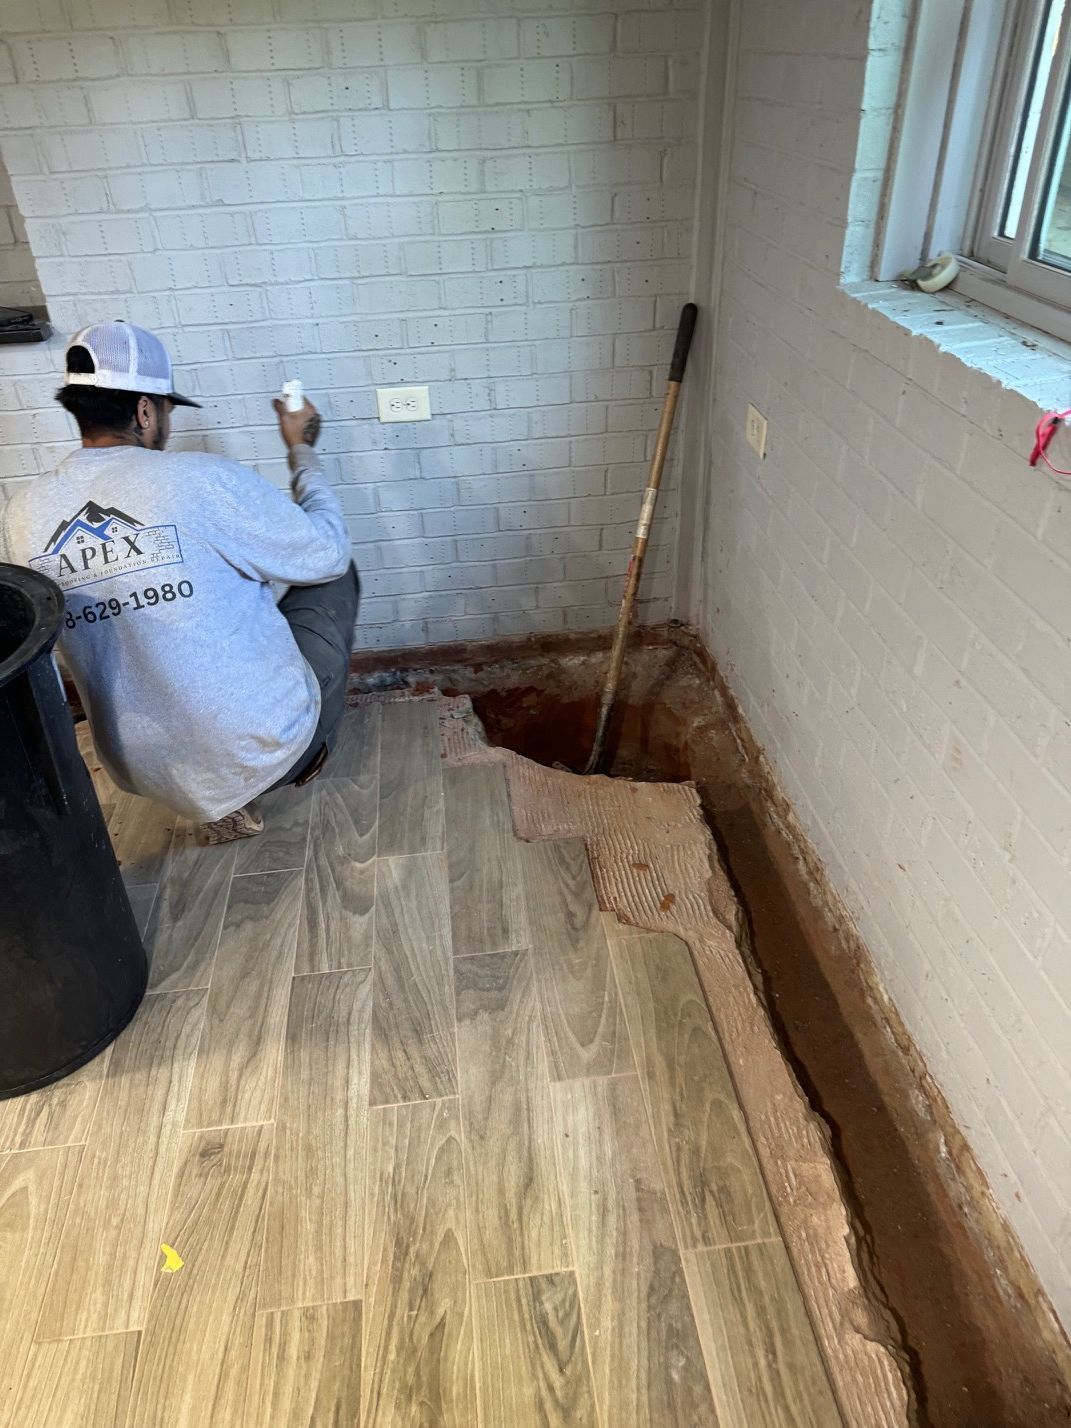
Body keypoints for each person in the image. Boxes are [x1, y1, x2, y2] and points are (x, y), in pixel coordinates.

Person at [0, 321, 359, 843]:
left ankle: (211, 796)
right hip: (262, 748)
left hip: (139, 769)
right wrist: (300, 449)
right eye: (164, 410)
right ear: (146, 410)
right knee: (333, 573)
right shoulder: (198, 479)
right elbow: (326, 550)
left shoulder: (21, 514)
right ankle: (294, 758)